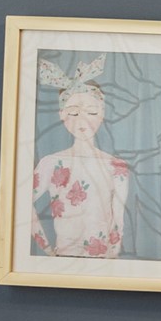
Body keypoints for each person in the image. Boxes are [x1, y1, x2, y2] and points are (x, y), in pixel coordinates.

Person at [29, 54, 131, 258]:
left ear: (102, 113)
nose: (82, 121)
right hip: (62, 260)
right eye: (74, 113)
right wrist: (47, 248)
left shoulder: (116, 166)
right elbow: (20, 203)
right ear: (62, 114)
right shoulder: (51, 163)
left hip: (102, 261)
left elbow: (118, 217)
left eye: (91, 112)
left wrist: (113, 254)